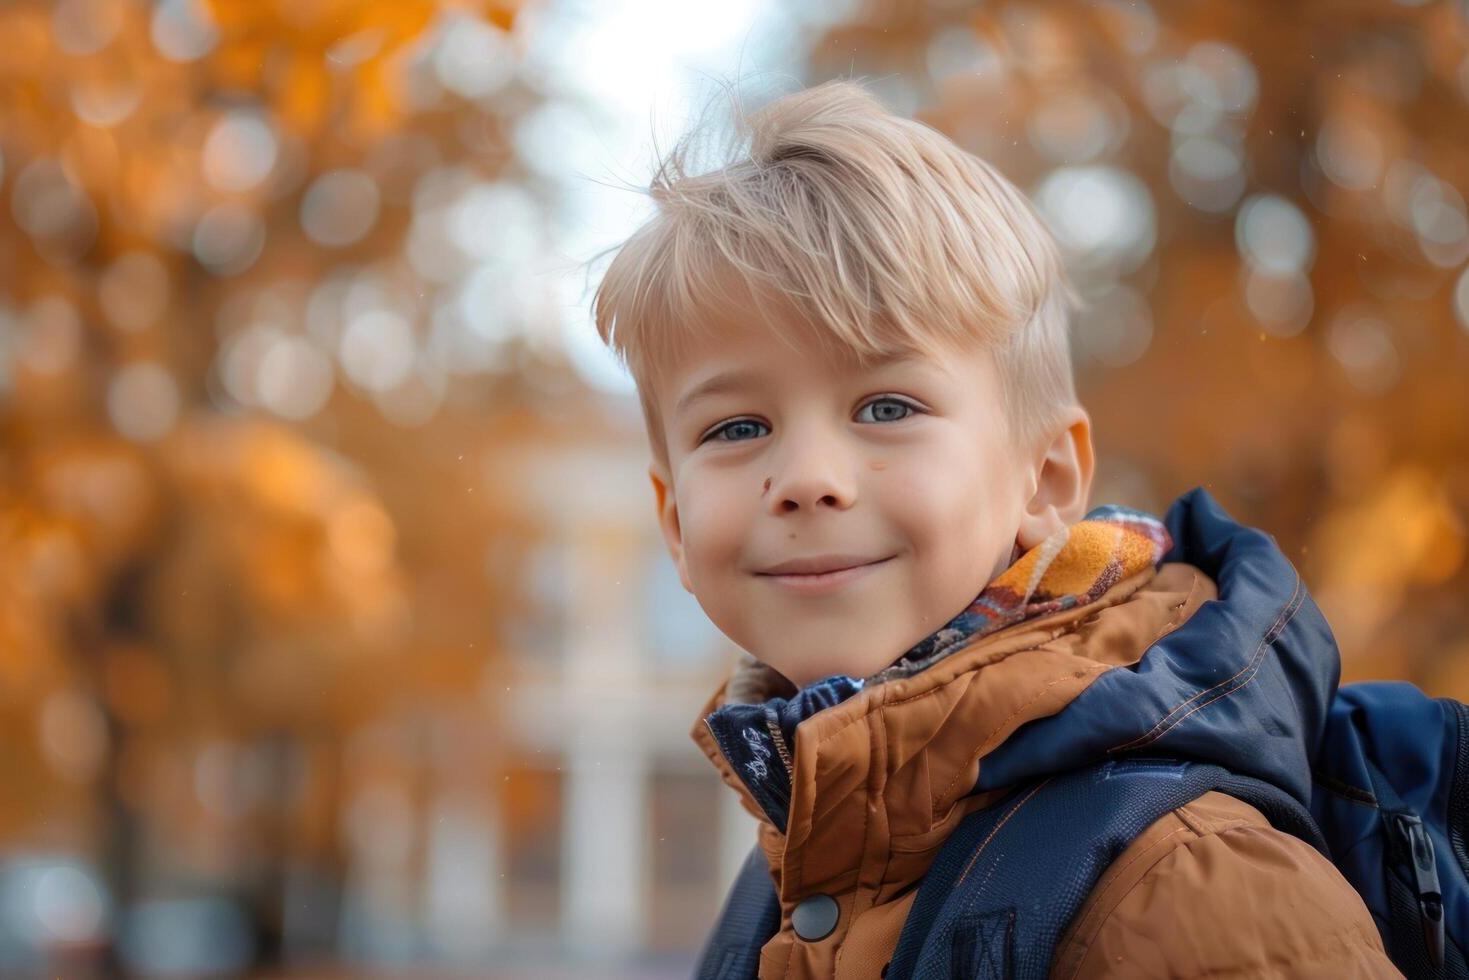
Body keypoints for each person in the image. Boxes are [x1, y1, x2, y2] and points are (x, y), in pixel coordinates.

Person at [588, 78, 1401, 978]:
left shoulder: (1180, 887)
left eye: (885, 406)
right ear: (672, 522)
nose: (808, 480)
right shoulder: (792, 876)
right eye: (736, 428)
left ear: (1045, 476)